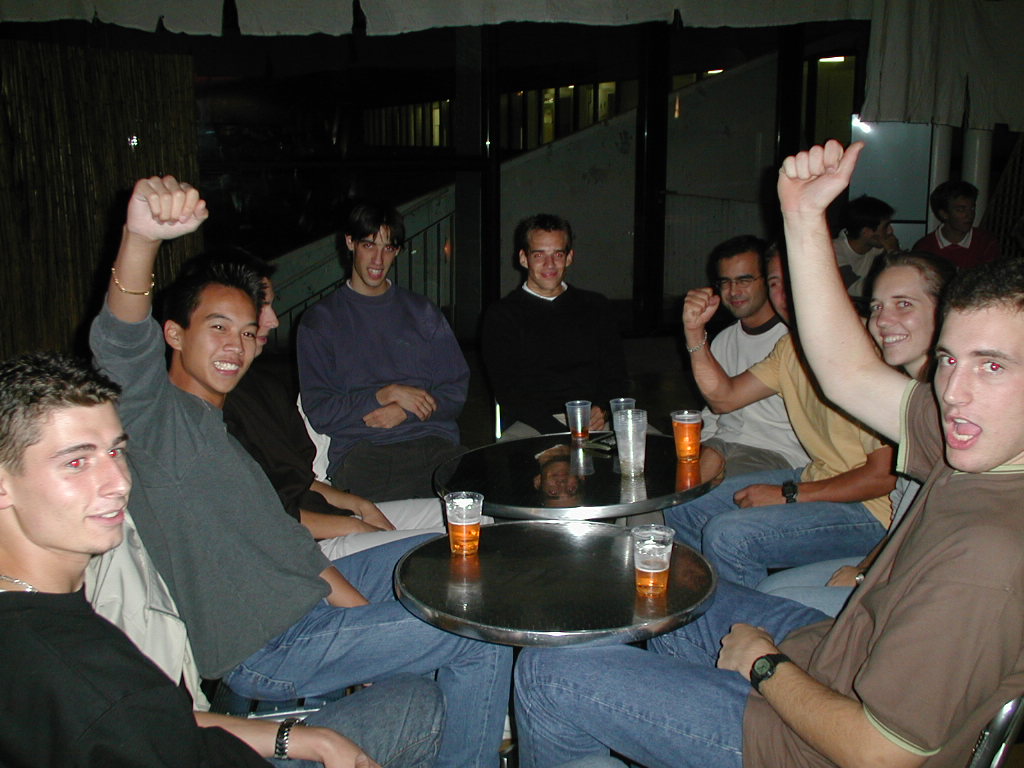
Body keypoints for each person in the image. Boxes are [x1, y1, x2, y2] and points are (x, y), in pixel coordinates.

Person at [513, 140, 1024, 768]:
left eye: (993, 365)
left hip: (799, 738)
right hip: (837, 649)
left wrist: (764, 665)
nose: (954, 391)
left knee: (545, 674)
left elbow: (880, 754)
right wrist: (803, 217)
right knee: (669, 589)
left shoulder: (988, 557)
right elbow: (844, 373)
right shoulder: (971, 444)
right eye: (949, 359)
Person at [89, 176, 512, 768]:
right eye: (218, 327)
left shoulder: (220, 433)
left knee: (455, 560)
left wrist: (367, 623)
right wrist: (140, 238)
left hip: (305, 599)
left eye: (247, 331)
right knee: (479, 628)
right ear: (174, 334)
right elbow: (120, 344)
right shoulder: (158, 421)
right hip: (266, 645)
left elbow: (293, 547)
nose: (237, 344)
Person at [0, 352, 443, 768]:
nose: (118, 481)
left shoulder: (54, 609)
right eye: (77, 462)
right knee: (447, 653)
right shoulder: (71, 674)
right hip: (255, 675)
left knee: (418, 697)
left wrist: (309, 739)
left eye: (116, 451)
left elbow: (170, 721)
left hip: (234, 723)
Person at [666, 246, 895, 587]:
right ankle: (705, 599)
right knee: (684, 504)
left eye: (796, 281)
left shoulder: (871, 348)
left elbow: (885, 477)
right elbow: (724, 398)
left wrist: (789, 493)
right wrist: (694, 332)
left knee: (729, 535)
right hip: (817, 477)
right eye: (776, 283)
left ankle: (748, 615)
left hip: (875, 511)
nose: (786, 294)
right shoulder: (790, 349)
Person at [758, 251, 955, 614]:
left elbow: (932, 526)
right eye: (877, 307)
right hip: (896, 551)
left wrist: (865, 573)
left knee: (773, 604)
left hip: (934, 583)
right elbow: (908, 520)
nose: (884, 320)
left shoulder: (952, 403)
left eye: (904, 304)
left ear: (946, 311)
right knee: (771, 589)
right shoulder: (910, 393)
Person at [215, 253, 445, 558]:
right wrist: (356, 526)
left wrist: (361, 506)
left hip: (329, 516)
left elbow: (300, 479)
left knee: (469, 517)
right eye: (262, 306)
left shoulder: (265, 387)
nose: (273, 320)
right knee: (436, 551)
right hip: (302, 546)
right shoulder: (206, 411)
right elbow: (266, 519)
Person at [297, 202, 468, 501]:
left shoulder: (423, 312)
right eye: (369, 245)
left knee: (487, 502)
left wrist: (406, 412)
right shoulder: (320, 321)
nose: (378, 259)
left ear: (397, 251)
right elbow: (320, 411)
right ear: (350, 242)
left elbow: (455, 391)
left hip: (435, 444)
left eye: (388, 248)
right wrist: (383, 395)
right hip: (366, 453)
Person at [481, 213, 628, 439]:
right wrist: (562, 434)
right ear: (523, 258)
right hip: (533, 425)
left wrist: (603, 409)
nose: (549, 264)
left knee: (657, 451)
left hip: (595, 421)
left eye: (557, 254)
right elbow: (509, 392)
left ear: (569, 257)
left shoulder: (596, 306)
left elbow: (617, 375)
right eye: (539, 255)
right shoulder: (502, 316)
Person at [695, 235, 809, 475]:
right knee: (670, 482)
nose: (733, 291)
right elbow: (713, 412)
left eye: (744, 280)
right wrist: (698, 448)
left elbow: (723, 400)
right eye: (725, 282)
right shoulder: (723, 339)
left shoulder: (793, 341)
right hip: (723, 443)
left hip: (777, 452)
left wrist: (693, 332)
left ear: (768, 281)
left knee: (713, 490)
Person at [913, 180, 1002, 269]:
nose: (969, 215)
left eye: (972, 208)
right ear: (944, 214)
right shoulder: (925, 247)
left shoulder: (986, 243)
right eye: (961, 210)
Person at [831, 194, 900, 297]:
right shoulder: (833, 250)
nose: (890, 231)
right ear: (866, 232)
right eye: (886, 227)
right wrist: (893, 253)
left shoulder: (880, 249)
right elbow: (853, 289)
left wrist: (895, 254)